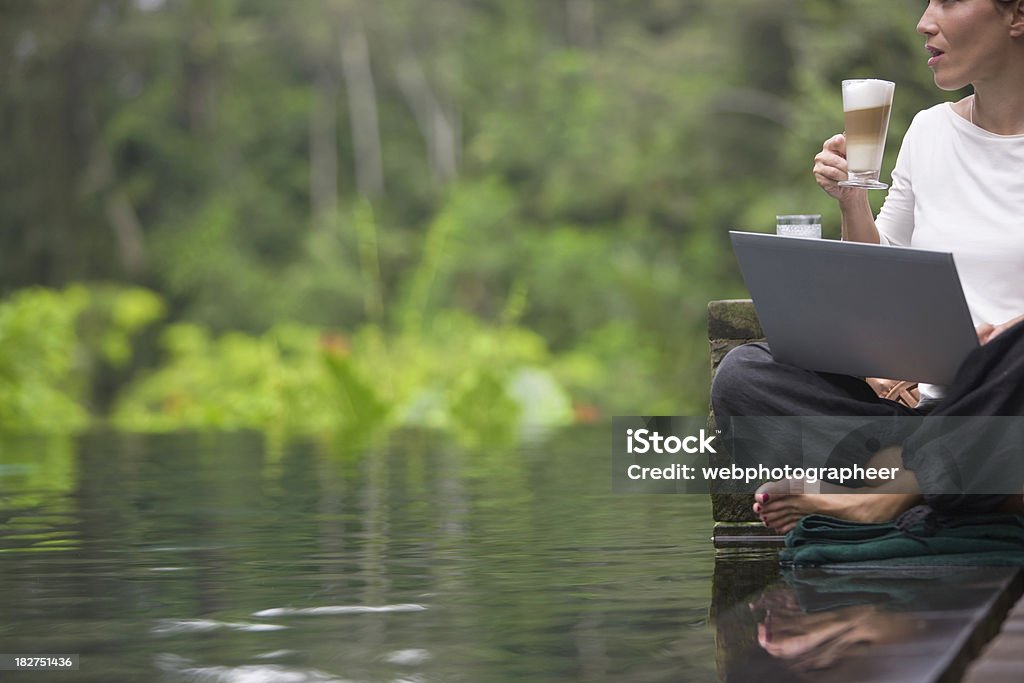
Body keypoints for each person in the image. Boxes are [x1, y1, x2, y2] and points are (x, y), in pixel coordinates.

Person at [711, 0, 1024, 533]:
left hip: (1010, 405)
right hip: (930, 416)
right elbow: (882, 271)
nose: (925, 22)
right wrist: (851, 201)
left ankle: (895, 494)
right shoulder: (928, 132)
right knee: (745, 375)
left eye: (947, 1)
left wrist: (1002, 341)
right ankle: (945, 486)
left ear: (1016, 15)